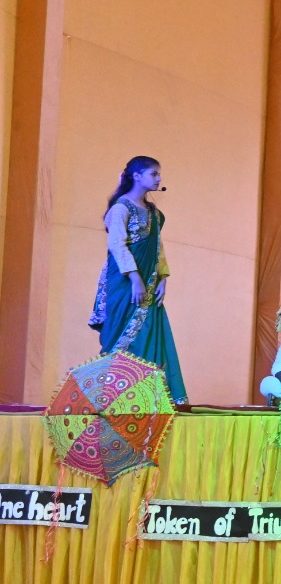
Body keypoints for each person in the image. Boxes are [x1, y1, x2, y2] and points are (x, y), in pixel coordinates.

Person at [89, 156, 188, 402]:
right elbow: (117, 245)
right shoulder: (121, 208)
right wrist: (135, 279)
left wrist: (163, 277)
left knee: (149, 333)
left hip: (150, 283)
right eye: (154, 173)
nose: (159, 178)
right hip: (124, 283)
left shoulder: (154, 213)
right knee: (121, 332)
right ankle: (115, 398)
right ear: (136, 176)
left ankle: (148, 398)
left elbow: (157, 248)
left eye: (159, 174)